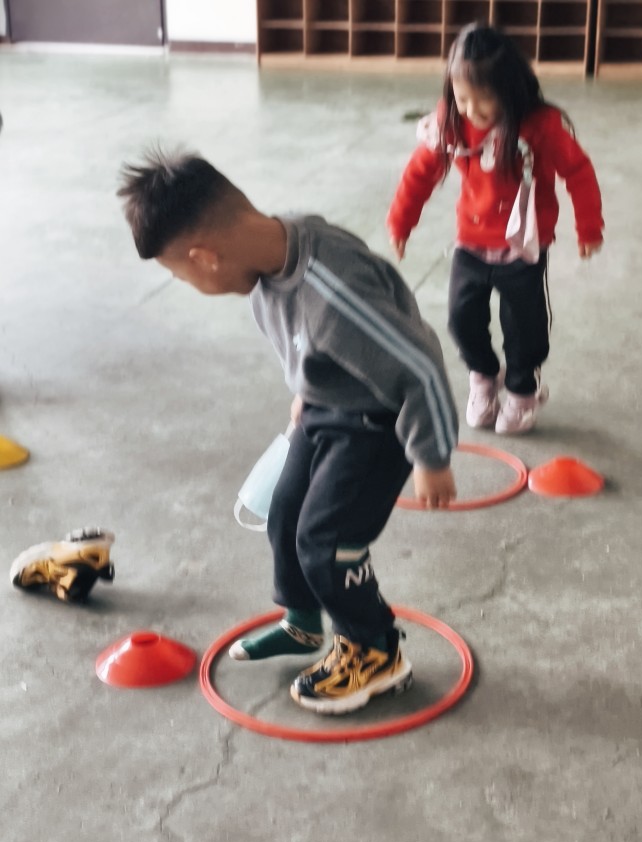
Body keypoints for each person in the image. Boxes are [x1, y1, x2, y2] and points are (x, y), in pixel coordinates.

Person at [117, 149, 458, 715]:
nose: (187, 282)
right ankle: (303, 622)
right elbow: (305, 336)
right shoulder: (270, 256)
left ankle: (376, 649)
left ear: (205, 258)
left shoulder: (334, 291)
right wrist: (305, 389)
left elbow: (418, 366)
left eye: (180, 275)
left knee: (326, 543)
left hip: (377, 426)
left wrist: (432, 455)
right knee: (285, 514)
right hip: (325, 409)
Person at [387, 22, 604, 435]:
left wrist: (589, 226)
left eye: (482, 99)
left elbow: (578, 172)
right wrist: (401, 220)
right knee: (461, 318)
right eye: (462, 98)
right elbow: (421, 172)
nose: (471, 110)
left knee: (523, 325)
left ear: (508, 88)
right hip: (471, 241)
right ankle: (484, 376)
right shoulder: (451, 123)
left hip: (524, 244)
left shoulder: (540, 125)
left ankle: (522, 389)